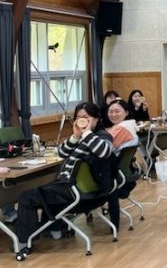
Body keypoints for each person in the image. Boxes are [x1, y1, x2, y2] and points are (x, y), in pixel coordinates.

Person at [14, 102, 113, 252]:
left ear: (96, 119)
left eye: (86, 117)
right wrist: (75, 136)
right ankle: (54, 230)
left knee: (26, 197)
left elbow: (104, 152)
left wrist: (86, 133)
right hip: (74, 187)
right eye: (78, 117)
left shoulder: (102, 136)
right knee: (46, 188)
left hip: (77, 190)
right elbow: (61, 153)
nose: (82, 121)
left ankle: (23, 242)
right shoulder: (82, 137)